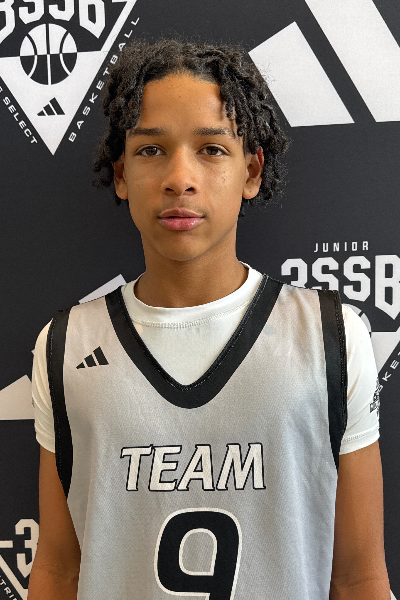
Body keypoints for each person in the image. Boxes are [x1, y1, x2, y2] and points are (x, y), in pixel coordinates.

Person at [28, 37, 391, 600]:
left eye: (212, 149)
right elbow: (57, 571)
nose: (180, 177)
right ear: (121, 174)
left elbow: (358, 578)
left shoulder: (331, 337)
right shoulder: (66, 345)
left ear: (252, 171)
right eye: (151, 150)